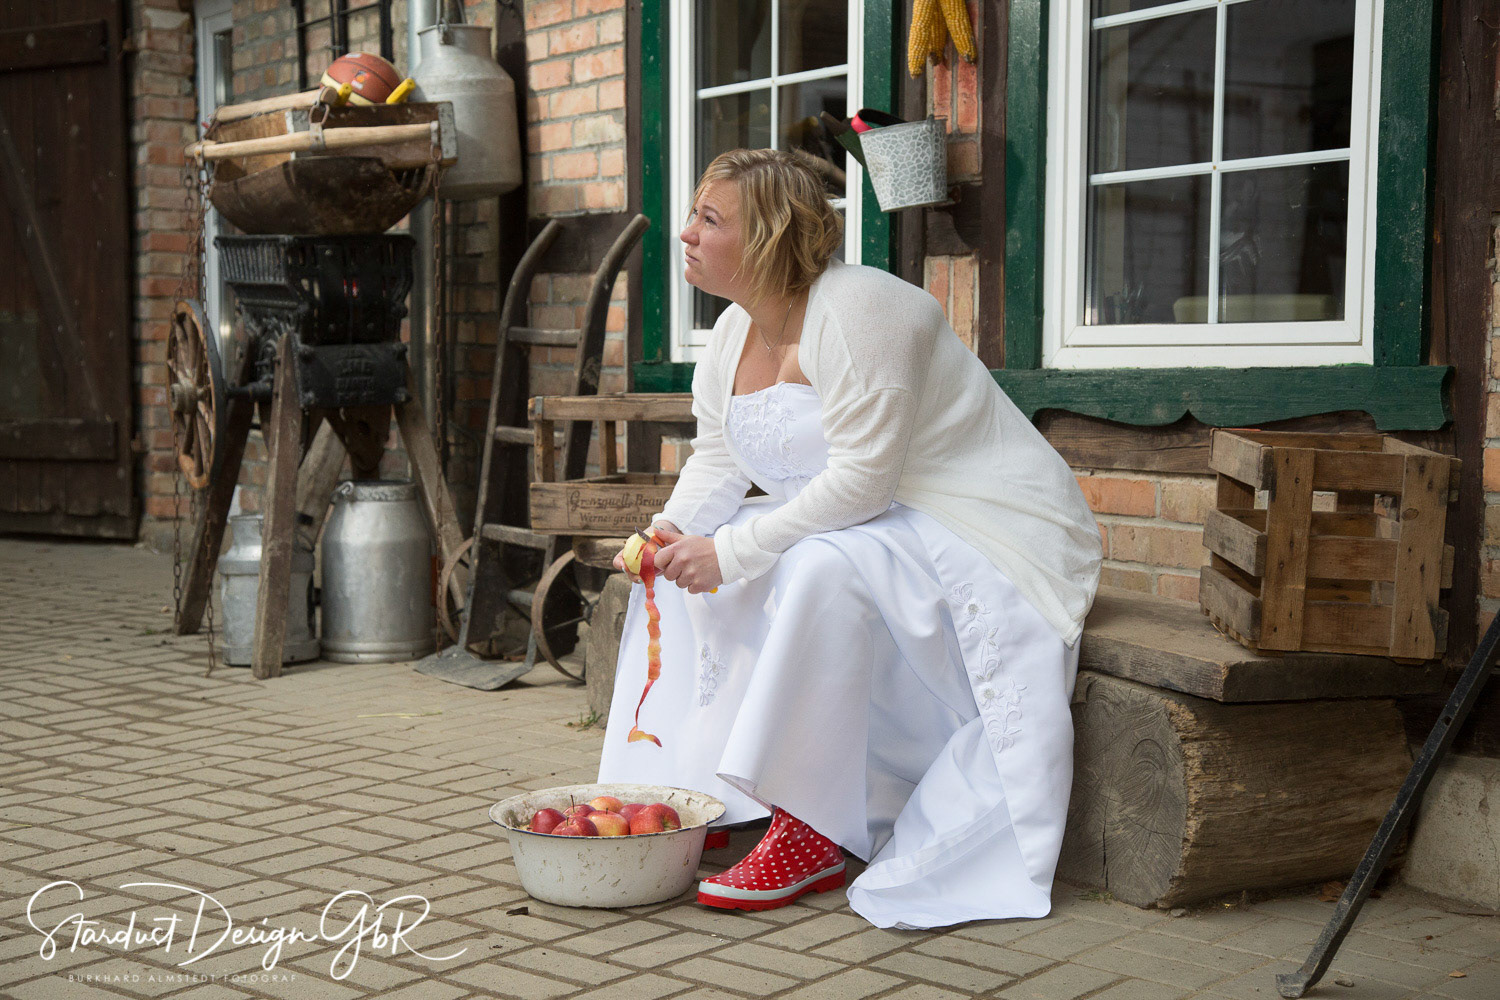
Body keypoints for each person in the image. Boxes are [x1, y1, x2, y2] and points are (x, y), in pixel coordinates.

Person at [597, 148, 1102, 929]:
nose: (686, 233)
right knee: (692, 563)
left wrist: (730, 553)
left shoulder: (866, 309)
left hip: (976, 525)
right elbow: (720, 457)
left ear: (766, 236)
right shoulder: (731, 335)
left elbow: (864, 482)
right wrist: (674, 532)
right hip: (874, 519)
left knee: (814, 566)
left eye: (710, 217)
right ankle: (715, 795)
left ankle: (813, 830)